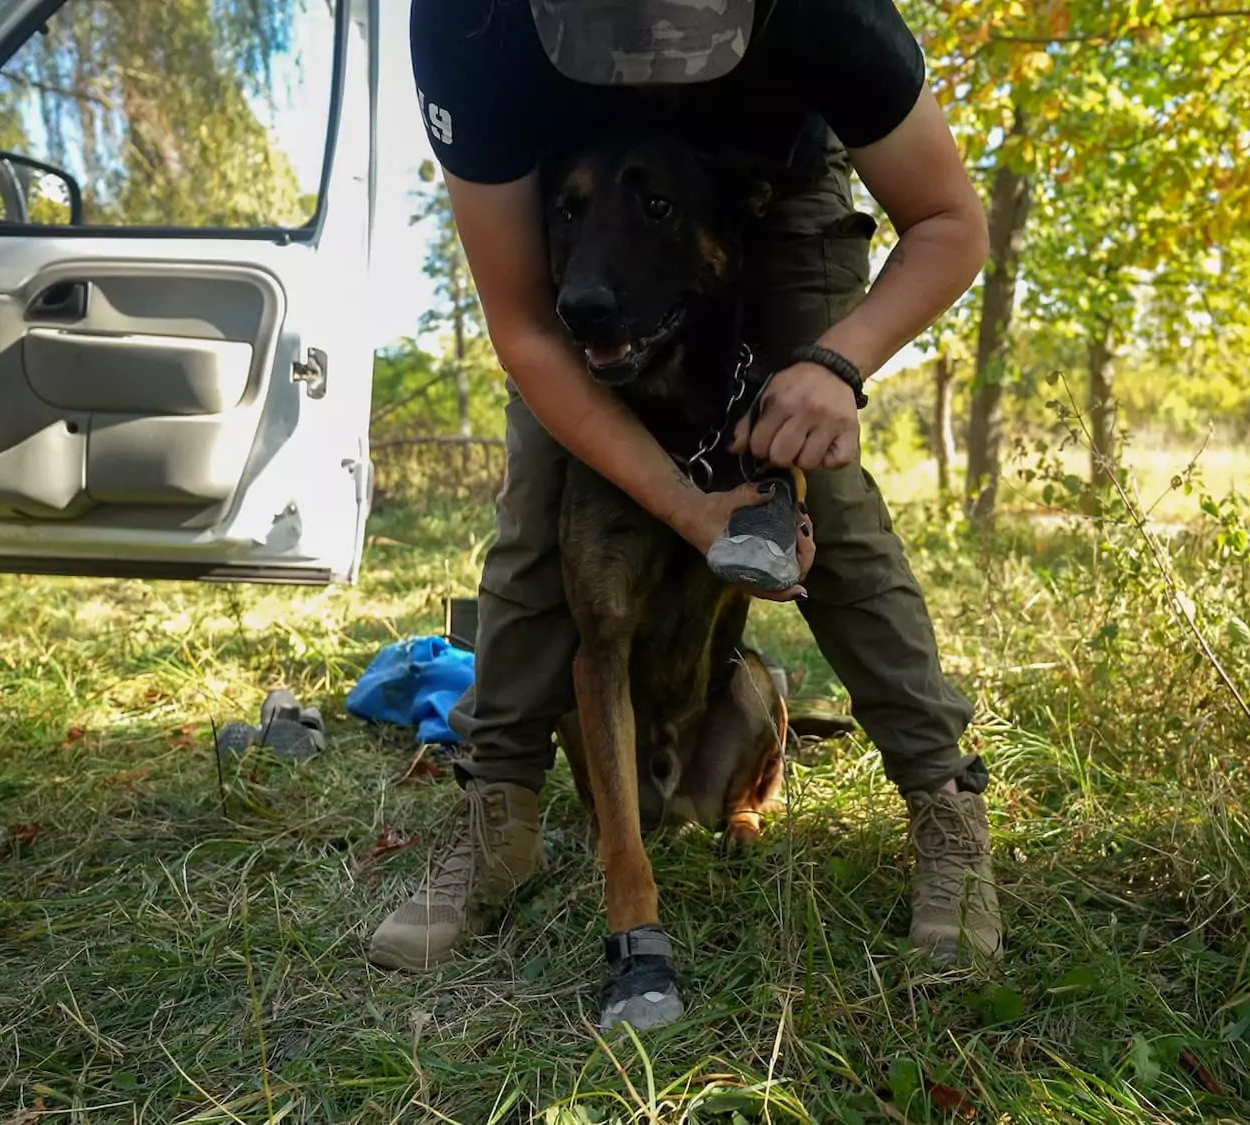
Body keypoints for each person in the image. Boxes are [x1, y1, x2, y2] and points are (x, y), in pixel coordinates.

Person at [369, 0, 1002, 974]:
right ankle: (496, 816)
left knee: (820, 493)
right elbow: (528, 329)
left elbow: (951, 224)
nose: (653, 83)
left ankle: (944, 807)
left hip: (775, 187)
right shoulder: (472, 24)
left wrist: (835, 366)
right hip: (579, 199)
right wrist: (689, 509)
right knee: (545, 493)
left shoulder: (828, 16)